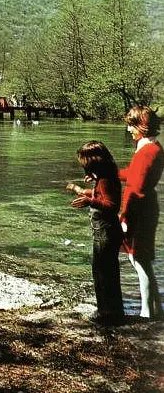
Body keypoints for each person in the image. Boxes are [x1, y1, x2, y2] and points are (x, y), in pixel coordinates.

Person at [67, 141, 124, 325]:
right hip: (106, 233)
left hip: (106, 233)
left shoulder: (105, 180)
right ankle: (110, 312)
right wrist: (81, 189)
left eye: (84, 163)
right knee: (104, 272)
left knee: (103, 273)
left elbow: (112, 205)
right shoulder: (105, 176)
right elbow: (101, 195)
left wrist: (89, 202)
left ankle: (107, 314)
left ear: (94, 162)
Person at [119, 105, 164, 319]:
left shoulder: (147, 151)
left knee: (138, 260)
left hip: (140, 210)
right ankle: (156, 311)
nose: (129, 130)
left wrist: (125, 216)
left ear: (141, 126)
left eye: (131, 125)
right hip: (146, 208)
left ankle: (146, 313)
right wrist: (107, 173)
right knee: (142, 260)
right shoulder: (152, 147)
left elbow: (136, 188)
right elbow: (132, 174)